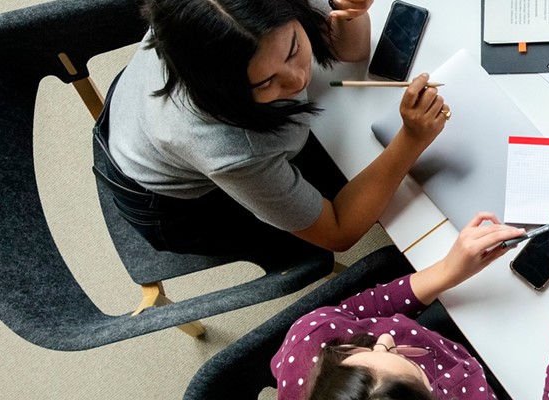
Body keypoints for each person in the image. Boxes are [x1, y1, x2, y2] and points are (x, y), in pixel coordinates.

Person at [97, 0, 450, 256]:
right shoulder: (228, 148)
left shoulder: (238, 11)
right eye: (267, 81)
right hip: (169, 203)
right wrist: (410, 141)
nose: (299, 80)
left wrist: (350, 12)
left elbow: (351, 51)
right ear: (225, 88)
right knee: (368, 186)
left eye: (294, 48)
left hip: (137, 111)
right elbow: (339, 231)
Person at [272, 211, 549, 400]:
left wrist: (446, 272)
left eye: (365, 349)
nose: (387, 340)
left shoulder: (312, 341)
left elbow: (360, 312)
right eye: (396, 358)